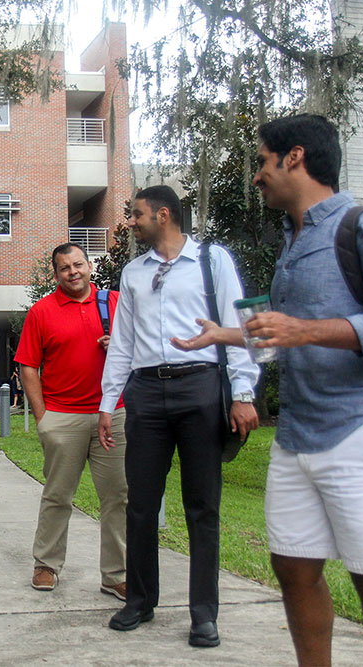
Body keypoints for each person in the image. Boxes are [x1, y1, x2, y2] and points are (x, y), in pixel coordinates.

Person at [172, 114, 363, 665]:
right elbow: (289, 331)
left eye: (263, 163)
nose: (257, 177)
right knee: (292, 566)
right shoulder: (293, 239)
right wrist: (225, 334)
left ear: (294, 157)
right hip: (297, 435)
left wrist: (303, 330)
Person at [98, 185, 259, 648]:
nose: (131, 222)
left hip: (201, 388)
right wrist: (109, 403)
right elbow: (122, 343)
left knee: (202, 506)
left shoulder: (212, 262)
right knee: (142, 504)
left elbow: (239, 327)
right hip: (146, 393)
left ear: (164, 215)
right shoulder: (132, 273)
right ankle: (140, 600)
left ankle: (204, 614)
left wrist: (242, 393)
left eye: (137, 214)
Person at [14, 243, 128, 598]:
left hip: (115, 414)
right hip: (62, 416)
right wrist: (42, 417)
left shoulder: (116, 302)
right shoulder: (42, 311)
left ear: (90, 265)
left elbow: (145, 348)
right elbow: (27, 365)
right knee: (58, 495)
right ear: (56, 273)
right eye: (65, 268)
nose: (73, 272)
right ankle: (46, 564)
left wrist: (122, 348)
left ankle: (116, 575)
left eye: (78, 264)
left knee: (118, 498)